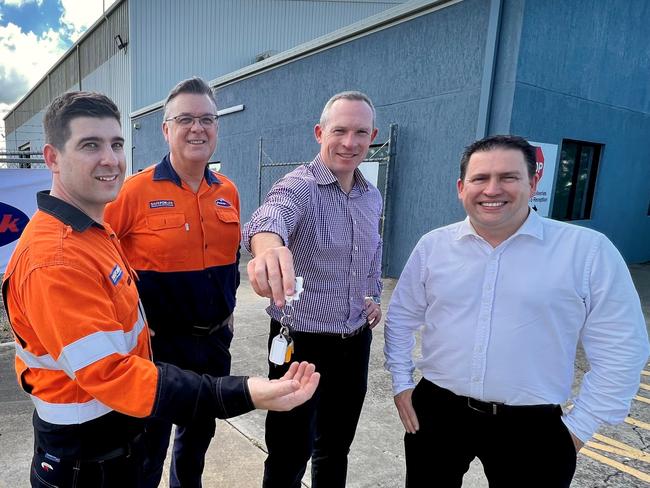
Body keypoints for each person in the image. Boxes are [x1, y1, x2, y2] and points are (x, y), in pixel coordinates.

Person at [1, 90, 320, 488]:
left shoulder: (94, 230)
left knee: (192, 445)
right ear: (51, 158)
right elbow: (113, 376)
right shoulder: (60, 256)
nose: (109, 159)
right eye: (89, 145)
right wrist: (247, 393)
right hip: (91, 449)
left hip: (179, 370)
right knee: (154, 452)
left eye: (116, 144)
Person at [384, 134, 649, 487]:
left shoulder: (587, 252)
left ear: (533, 182)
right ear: (462, 187)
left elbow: (622, 348)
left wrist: (580, 426)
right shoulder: (434, 246)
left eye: (508, 177)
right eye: (480, 179)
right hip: (437, 412)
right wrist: (402, 384)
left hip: (532, 427)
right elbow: (401, 317)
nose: (492, 189)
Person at [243, 90, 383, 488]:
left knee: (336, 447)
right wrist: (268, 250)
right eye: (340, 130)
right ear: (320, 132)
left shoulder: (370, 195)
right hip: (300, 346)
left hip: (354, 342)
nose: (350, 142)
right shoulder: (299, 186)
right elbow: (270, 216)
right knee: (289, 450)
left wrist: (371, 294)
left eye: (360, 132)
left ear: (371, 136)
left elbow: (372, 248)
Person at [104, 77, 240, 487]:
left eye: (207, 119)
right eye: (185, 119)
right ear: (166, 129)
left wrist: (228, 319)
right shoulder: (134, 192)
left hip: (214, 344)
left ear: (216, 128)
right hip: (158, 346)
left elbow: (232, 260)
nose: (197, 128)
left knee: (197, 442)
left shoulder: (227, 192)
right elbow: (98, 254)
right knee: (147, 449)